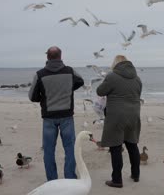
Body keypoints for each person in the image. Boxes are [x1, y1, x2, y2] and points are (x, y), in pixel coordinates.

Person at [28, 46, 85, 181]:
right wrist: (68, 89)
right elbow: (81, 81)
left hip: (49, 117)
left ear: (47, 57)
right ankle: (70, 178)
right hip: (66, 116)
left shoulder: (40, 74)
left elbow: (32, 96)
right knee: (70, 149)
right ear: (61, 56)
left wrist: (44, 97)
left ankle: (52, 180)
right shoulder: (70, 71)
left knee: (48, 151)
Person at [96, 55, 142, 188]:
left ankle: (117, 180)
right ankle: (136, 175)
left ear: (115, 64)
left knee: (115, 147)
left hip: (116, 116)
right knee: (132, 145)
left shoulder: (112, 76)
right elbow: (137, 95)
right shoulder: (137, 79)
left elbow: (100, 91)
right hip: (134, 115)